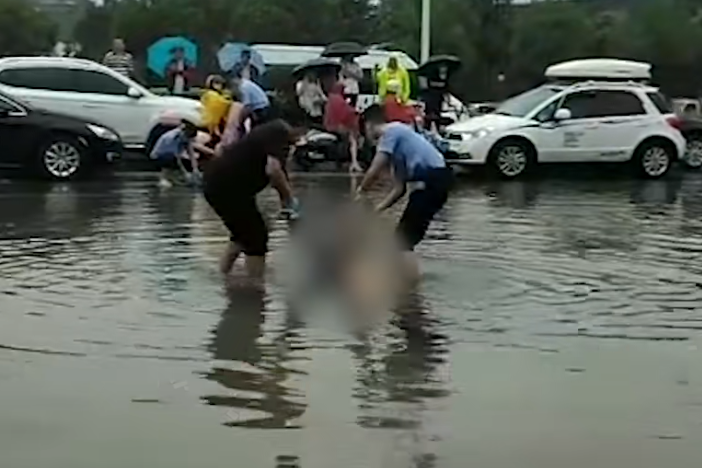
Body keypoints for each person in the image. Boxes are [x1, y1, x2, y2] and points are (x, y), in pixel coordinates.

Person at [355, 104, 452, 285]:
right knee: (402, 240)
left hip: (432, 181)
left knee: (403, 242)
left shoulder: (393, 131)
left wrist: (361, 190)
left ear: (368, 125)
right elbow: (399, 189)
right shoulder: (399, 149)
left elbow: (376, 168)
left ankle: (410, 293)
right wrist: (377, 210)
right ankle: (406, 282)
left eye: (364, 131)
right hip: (436, 183)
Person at [202, 119, 299, 281]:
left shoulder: (268, 132)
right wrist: (288, 199)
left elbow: (280, 175)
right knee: (257, 238)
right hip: (229, 189)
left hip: (219, 184)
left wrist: (288, 205)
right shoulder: (279, 133)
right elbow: (273, 170)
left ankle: (223, 275)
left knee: (242, 233)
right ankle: (255, 288)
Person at [150, 120, 214, 188]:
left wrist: (195, 169)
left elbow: (191, 153)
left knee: (187, 162)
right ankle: (164, 178)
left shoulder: (185, 136)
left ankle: (173, 178)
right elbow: (176, 158)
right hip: (159, 156)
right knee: (171, 160)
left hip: (172, 156)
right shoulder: (172, 137)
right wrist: (185, 173)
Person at [324, 81, 362, 173]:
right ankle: (354, 162)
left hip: (329, 125)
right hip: (337, 127)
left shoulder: (331, 98)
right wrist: (355, 111)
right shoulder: (339, 100)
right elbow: (346, 111)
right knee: (353, 137)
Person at [200, 75, 232, 146]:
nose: (218, 86)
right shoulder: (210, 94)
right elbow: (218, 103)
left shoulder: (221, 94)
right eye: (216, 83)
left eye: (220, 84)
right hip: (211, 119)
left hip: (218, 120)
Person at [421, 64, 450, 133]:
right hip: (431, 97)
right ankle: (426, 129)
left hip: (439, 98)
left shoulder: (446, 76)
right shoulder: (432, 74)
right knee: (429, 114)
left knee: (437, 114)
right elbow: (429, 84)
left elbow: (446, 87)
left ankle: (437, 129)